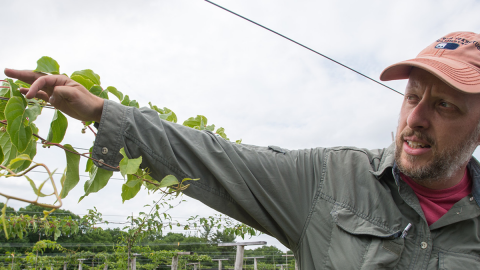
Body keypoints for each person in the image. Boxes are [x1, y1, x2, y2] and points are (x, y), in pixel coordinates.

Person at [4, 31, 480, 269]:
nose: (415, 119)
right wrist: (98, 111)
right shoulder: (330, 180)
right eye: (412, 97)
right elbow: (213, 156)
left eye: (444, 106)